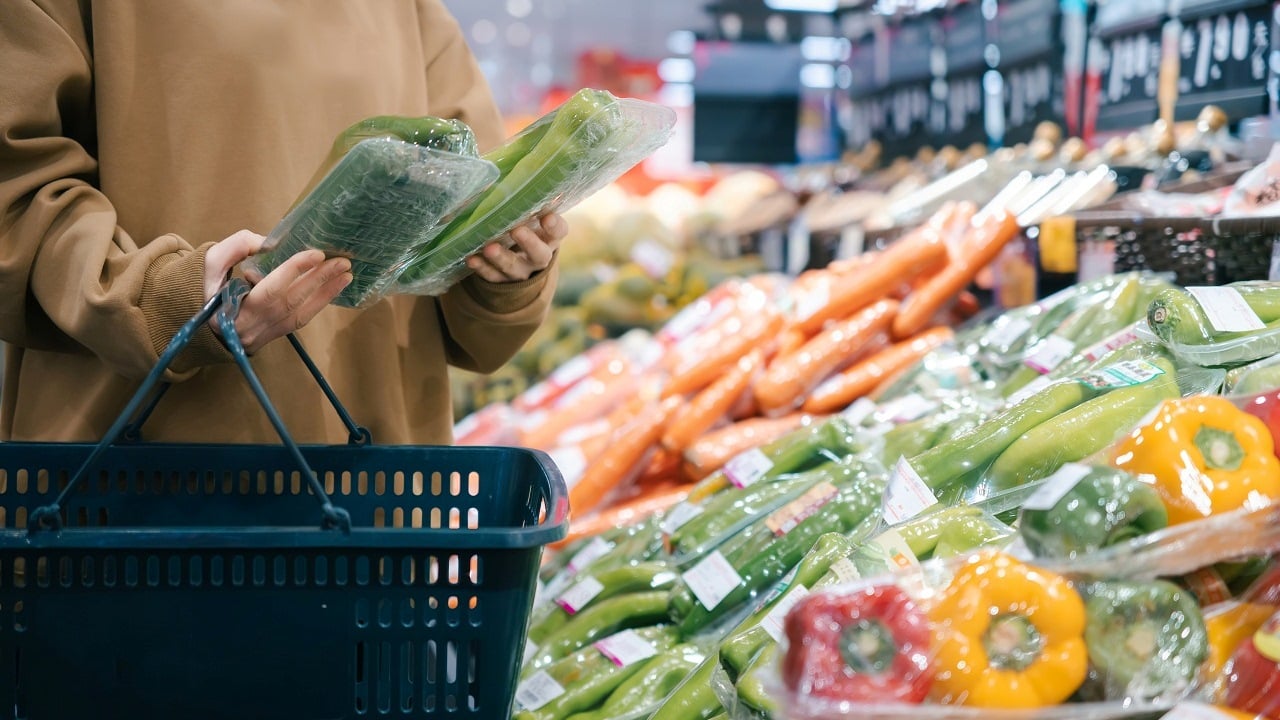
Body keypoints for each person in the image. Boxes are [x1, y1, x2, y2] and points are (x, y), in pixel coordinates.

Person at [0, 1, 565, 445]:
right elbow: (16, 189)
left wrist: (505, 269)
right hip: (136, 475)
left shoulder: (413, 11)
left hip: (376, 487)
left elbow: (471, 204)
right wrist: (160, 299)